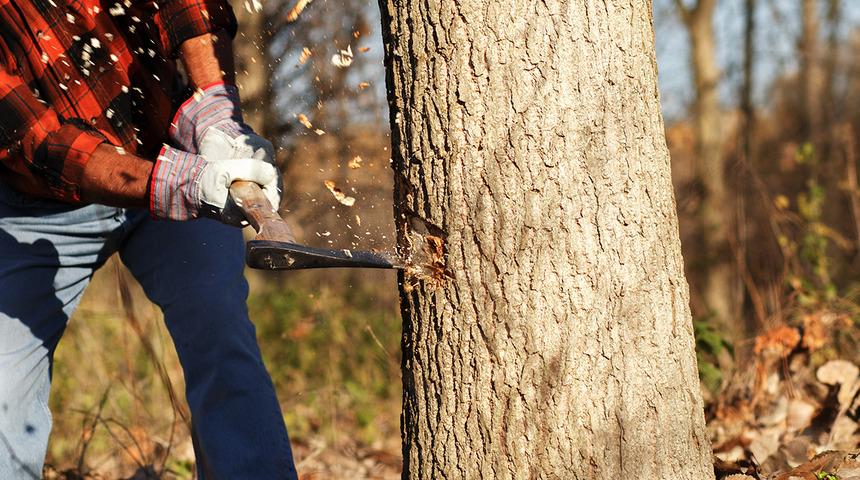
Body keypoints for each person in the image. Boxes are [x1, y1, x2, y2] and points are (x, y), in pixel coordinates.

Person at [0, 0, 298, 477]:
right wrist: (182, 183)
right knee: (3, 387)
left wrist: (213, 108)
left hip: (169, 144)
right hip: (38, 204)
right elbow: (37, 142)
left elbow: (191, 8)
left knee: (221, 334)